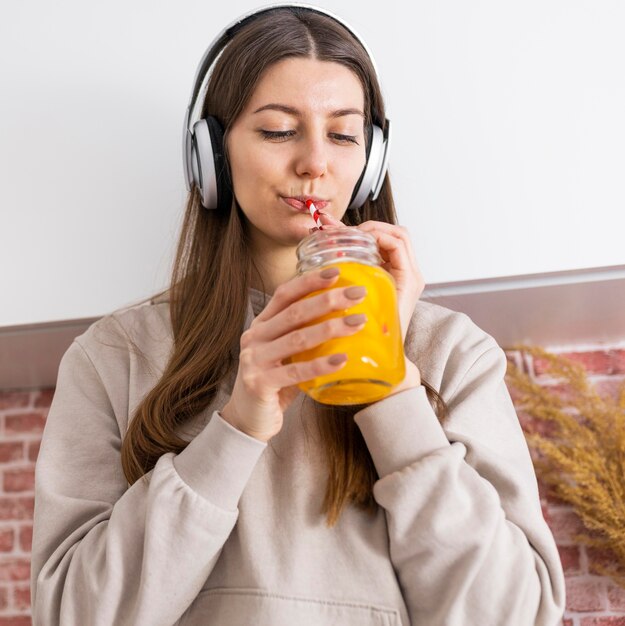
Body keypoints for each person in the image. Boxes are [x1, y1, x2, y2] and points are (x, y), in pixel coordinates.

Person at [30, 4, 566, 625]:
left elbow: (517, 616)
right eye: (280, 130)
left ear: (372, 162)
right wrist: (234, 429)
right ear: (212, 156)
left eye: (343, 135)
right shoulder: (113, 355)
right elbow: (71, 615)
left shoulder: (452, 351)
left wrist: (393, 388)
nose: (316, 162)